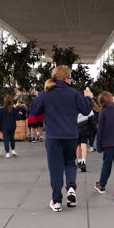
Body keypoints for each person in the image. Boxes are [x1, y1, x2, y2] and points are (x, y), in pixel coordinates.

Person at [32, 65, 93, 212]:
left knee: (56, 168)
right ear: (66, 78)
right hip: (71, 135)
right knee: (70, 163)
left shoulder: (46, 94)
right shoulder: (74, 93)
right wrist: (88, 98)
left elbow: (34, 111)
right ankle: (71, 188)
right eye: (70, 77)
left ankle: (57, 200)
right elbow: (85, 110)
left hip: (53, 137)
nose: (71, 80)